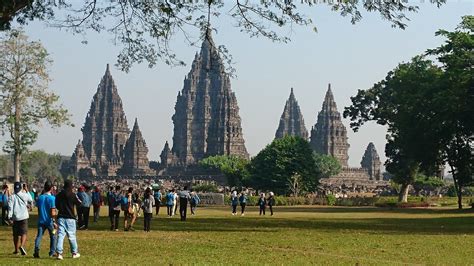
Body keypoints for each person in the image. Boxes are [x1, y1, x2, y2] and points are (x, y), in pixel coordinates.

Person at [55, 180, 81, 260]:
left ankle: (59, 253)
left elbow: (57, 205)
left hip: (61, 217)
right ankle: (74, 253)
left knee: (60, 235)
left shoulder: (59, 195)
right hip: (70, 218)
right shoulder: (73, 195)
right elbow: (79, 202)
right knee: (71, 236)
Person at [7, 182, 33, 255]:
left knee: (15, 235)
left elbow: (10, 208)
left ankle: (16, 250)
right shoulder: (24, 195)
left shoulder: (11, 197)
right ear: (21, 188)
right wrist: (27, 190)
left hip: (15, 218)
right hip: (24, 216)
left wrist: (9, 217)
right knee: (24, 233)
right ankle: (22, 246)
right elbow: (31, 199)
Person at [33, 181, 57, 258]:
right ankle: (52, 252)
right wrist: (54, 221)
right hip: (49, 221)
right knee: (53, 236)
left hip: (41, 220)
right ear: (51, 188)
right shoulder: (52, 198)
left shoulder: (40, 198)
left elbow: (39, 210)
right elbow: (52, 212)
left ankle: (36, 250)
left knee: (39, 236)